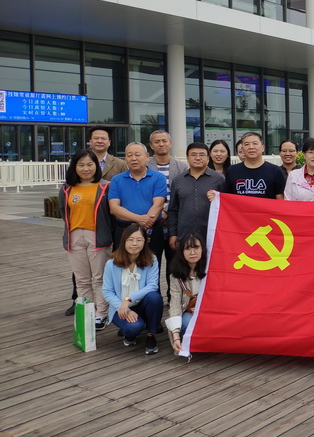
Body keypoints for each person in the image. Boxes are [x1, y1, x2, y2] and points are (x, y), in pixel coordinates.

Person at [59, 149, 113, 330]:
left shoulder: (105, 186)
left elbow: (110, 214)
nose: (86, 168)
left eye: (90, 164)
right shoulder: (67, 188)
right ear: (74, 167)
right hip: (74, 236)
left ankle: (101, 314)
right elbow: (64, 212)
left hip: (97, 236)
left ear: (96, 166)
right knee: (81, 279)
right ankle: (87, 313)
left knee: (99, 278)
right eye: (81, 165)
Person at [102, 223, 162, 355]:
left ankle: (151, 335)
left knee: (155, 297)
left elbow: (152, 285)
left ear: (145, 242)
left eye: (139, 240)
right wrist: (124, 307)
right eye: (130, 239)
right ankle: (129, 334)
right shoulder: (111, 263)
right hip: (120, 308)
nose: (134, 243)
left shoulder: (151, 259)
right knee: (134, 327)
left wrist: (128, 299)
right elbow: (107, 291)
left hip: (141, 304)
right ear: (124, 241)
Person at [108, 143, 167, 258]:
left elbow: (158, 204)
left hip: (151, 231)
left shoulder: (158, 177)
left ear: (147, 156)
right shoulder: (116, 180)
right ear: (125, 158)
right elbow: (114, 208)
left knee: (151, 265)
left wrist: (144, 227)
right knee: (124, 265)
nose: (133, 158)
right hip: (124, 231)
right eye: (129, 155)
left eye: (137, 155)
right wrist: (139, 220)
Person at [147, 130, 189, 287]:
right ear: (151, 145)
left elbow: (183, 195)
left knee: (175, 265)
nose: (161, 144)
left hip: (175, 225)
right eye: (157, 141)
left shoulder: (182, 167)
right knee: (152, 264)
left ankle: (174, 297)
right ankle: (154, 296)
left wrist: (166, 211)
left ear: (170, 143)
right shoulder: (145, 166)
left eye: (164, 141)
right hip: (152, 224)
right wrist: (159, 212)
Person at [168, 142, 225, 249]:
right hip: (184, 234)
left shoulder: (219, 179)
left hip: (211, 234)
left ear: (208, 158)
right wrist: (172, 234)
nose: (198, 158)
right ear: (187, 157)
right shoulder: (178, 180)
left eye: (202, 155)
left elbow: (226, 207)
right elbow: (173, 210)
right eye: (193, 155)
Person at [166, 233, 206, 354]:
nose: (192, 252)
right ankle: (185, 343)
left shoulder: (211, 270)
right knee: (187, 323)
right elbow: (175, 305)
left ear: (202, 249)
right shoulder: (176, 276)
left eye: (196, 247)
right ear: (181, 252)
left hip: (208, 311)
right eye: (188, 248)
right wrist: (175, 336)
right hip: (188, 311)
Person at [222, 132, 285, 199]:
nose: (251, 147)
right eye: (247, 144)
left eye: (255, 143)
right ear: (242, 149)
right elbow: (227, 198)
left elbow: (280, 199)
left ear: (262, 148)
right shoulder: (232, 171)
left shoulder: (275, 171)